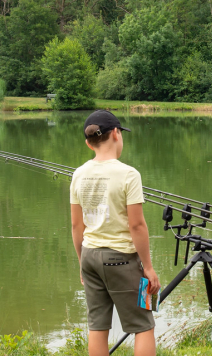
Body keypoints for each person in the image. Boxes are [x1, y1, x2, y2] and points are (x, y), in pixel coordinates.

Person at [69, 110, 160, 356]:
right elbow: (137, 226)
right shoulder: (129, 174)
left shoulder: (78, 174)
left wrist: (81, 262)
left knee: (97, 326)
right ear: (117, 134)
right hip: (122, 259)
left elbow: (77, 226)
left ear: (89, 143)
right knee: (143, 325)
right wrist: (149, 268)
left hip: (89, 256)